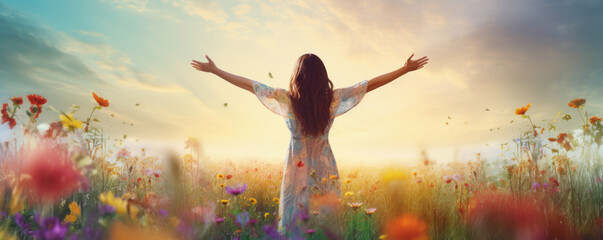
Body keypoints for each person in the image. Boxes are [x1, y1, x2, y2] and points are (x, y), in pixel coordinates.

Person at [190, 53, 428, 234]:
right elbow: (370, 85)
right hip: (325, 168)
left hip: (296, 169)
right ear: (323, 77)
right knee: (324, 219)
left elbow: (250, 85)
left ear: (298, 76)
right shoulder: (332, 99)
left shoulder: (286, 99)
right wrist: (403, 70)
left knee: (295, 219)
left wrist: (216, 71)